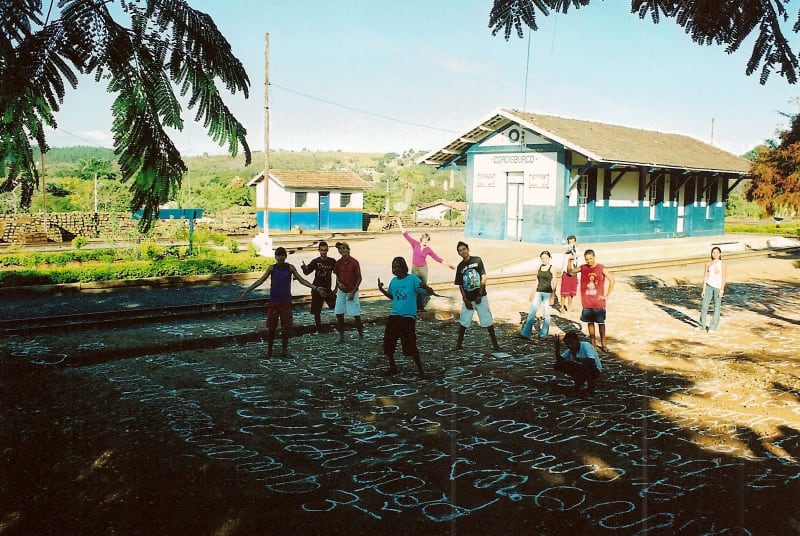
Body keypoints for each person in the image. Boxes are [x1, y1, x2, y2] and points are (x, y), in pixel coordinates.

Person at [237, 246, 317, 359]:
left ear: (285, 256)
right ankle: (269, 352)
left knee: (286, 328)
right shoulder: (271, 268)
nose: (280, 258)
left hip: (286, 302)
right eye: (278, 255)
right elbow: (260, 280)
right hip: (274, 302)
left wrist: (315, 287)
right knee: (271, 329)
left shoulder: (290, 268)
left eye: (282, 255)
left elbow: (301, 280)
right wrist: (246, 290)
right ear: (275, 257)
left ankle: (284, 351)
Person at [377, 256, 432, 379]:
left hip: (408, 317)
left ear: (404, 267)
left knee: (410, 344)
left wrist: (427, 287)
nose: (396, 269)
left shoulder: (412, 279)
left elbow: (426, 292)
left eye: (398, 266)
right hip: (394, 315)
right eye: (394, 267)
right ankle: (393, 368)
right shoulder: (393, 281)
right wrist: (382, 290)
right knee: (389, 342)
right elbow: (393, 297)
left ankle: (420, 371)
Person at [395, 216, 455, 311]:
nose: (425, 242)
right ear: (421, 239)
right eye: (424, 240)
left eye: (427, 241)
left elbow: (437, 258)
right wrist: (400, 225)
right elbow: (406, 235)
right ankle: (413, 305)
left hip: (423, 269)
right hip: (415, 268)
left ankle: (421, 306)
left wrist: (448, 264)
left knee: (422, 287)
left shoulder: (428, 250)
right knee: (414, 286)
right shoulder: (415, 244)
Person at [453, 241, 501, 352]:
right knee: (464, 322)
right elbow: (460, 284)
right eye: (460, 250)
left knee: (488, 321)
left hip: (481, 297)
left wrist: (480, 293)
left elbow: (483, 277)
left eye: (464, 249)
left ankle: (495, 344)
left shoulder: (477, 260)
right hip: (468, 298)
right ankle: (458, 345)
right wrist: (465, 299)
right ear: (458, 253)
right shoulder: (460, 266)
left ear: (468, 249)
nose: (462, 251)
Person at [569, 249, 615, 352]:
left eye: (590, 258)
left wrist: (607, 295)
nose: (589, 261)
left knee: (601, 323)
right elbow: (570, 272)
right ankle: (593, 343)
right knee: (590, 323)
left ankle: (604, 344)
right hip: (587, 302)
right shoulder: (583, 267)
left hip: (598, 302)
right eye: (587, 259)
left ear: (594, 257)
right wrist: (569, 262)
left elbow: (612, 280)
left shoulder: (601, 268)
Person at [332, 241, 364, 344]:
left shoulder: (354, 262)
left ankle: (360, 335)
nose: (342, 251)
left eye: (344, 248)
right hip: (342, 291)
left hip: (351, 291)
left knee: (355, 314)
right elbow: (337, 276)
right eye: (340, 249)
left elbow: (359, 278)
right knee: (339, 313)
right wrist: (338, 284)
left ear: (348, 250)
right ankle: (341, 336)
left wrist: (353, 292)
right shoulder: (338, 263)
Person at [301, 241, 336, 333]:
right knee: (317, 311)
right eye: (322, 250)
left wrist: (336, 289)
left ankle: (339, 326)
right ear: (319, 250)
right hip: (317, 288)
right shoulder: (315, 261)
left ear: (328, 250)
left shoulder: (332, 261)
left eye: (325, 250)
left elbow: (338, 273)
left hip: (328, 288)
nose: (323, 252)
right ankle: (319, 328)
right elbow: (307, 272)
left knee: (336, 306)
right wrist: (304, 267)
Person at [520, 250, 556, 340]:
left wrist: (553, 296)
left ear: (549, 258)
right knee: (532, 313)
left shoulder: (552, 268)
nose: (544, 260)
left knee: (546, 315)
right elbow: (537, 280)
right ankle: (525, 333)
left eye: (545, 258)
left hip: (548, 293)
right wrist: (533, 292)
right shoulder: (539, 267)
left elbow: (554, 282)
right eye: (542, 258)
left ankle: (543, 335)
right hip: (539, 293)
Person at [698, 246, 727, 332]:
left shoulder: (722, 264)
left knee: (716, 307)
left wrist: (722, 290)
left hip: (718, 287)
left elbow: (724, 278)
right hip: (708, 286)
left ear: (720, 254)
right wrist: (703, 289)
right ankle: (701, 325)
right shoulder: (708, 264)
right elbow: (705, 277)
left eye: (717, 253)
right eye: (713, 252)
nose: (715, 254)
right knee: (704, 306)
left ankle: (713, 327)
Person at [558, 235, 580, 314]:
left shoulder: (576, 250)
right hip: (566, 273)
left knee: (572, 291)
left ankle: (570, 306)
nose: (572, 243)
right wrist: (572, 246)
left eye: (573, 242)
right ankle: (562, 307)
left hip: (574, 272)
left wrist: (575, 247)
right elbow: (568, 249)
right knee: (564, 291)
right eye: (570, 242)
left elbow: (578, 255)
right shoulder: (565, 248)